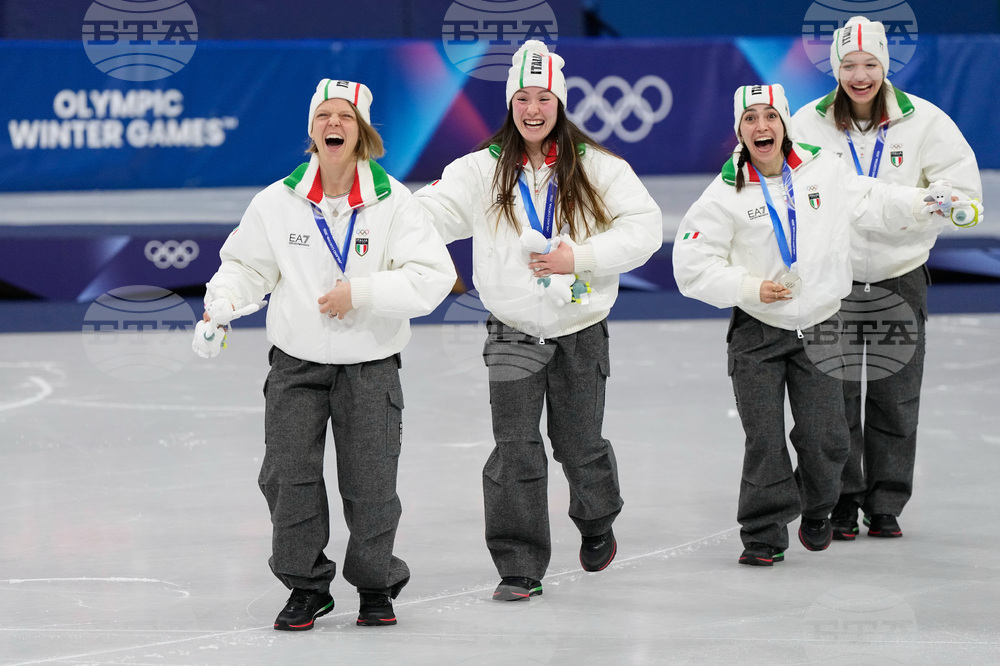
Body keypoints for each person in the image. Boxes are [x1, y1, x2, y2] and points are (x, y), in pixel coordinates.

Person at [194, 79, 456, 629]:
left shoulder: (395, 202)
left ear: (362, 132)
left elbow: (433, 277)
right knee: (287, 478)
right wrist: (223, 300)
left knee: (371, 484)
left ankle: (376, 584)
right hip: (296, 364)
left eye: (346, 116)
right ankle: (307, 586)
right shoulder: (277, 201)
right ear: (312, 129)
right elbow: (246, 265)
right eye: (324, 115)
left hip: (371, 363)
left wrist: (361, 292)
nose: (333, 123)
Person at [415, 40, 662, 600]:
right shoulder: (480, 170)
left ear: (560, 103)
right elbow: (431, 214)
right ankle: (519, 565)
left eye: (543, 98)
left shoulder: (597, 167)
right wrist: (379, 213)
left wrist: (583, 257)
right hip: (512, 331)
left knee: (579, 444)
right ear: (510, 104)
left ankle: (597, 519)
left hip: (580, 327)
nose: (532, 109)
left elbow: (644, 228)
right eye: (522, 98)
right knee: (515, 449)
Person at [673, 84, 955, 566]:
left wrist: (921, 202)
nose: (761, 126)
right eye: (749, 118)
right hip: (758, 332)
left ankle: (819, 506)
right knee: (764, 441)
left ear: (784, 123)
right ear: (739, 131)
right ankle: (763, 535)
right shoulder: (723, 194)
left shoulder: (824, 170)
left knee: (828, 439)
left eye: (770, 116)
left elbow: (873, 199)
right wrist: (748, 287)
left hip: (823, 327)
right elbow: (691, 264)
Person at [792, 16, 983, 540]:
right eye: (849, 65)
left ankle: (885, 503)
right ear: (835, 69)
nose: (860, 76)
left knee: (895, 397)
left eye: (870, 64)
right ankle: (839, 499)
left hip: (900, 276)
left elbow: (964, 194)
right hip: (832, 281)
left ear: (885, 66)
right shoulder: (807, 124)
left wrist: (949, 204)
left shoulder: (926, 121)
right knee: (832, 400)